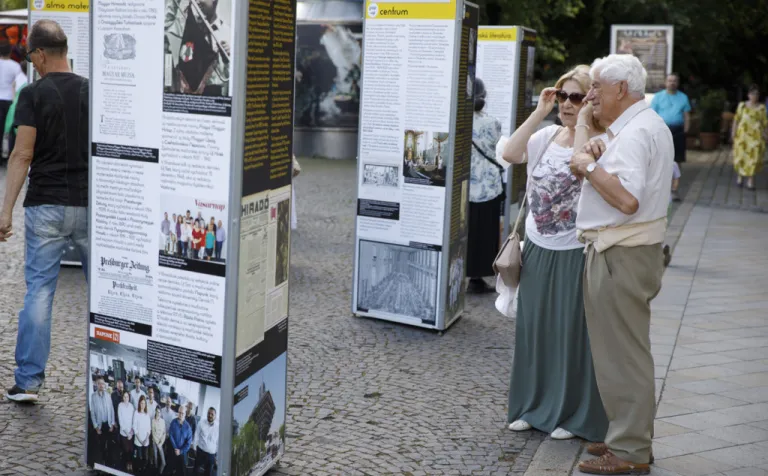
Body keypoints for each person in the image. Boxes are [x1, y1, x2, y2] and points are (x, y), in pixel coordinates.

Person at [569, 54, 672, 474]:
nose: (590, 94)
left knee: (623, 355)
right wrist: (594, 148)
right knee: (623, 352)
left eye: (597, 86)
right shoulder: (642, 126)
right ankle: (628, 439)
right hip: (626, 251)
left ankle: (630, 451)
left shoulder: (636, 132)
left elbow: (627, 201)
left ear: (621, 89)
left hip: (620, 254)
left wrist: (588, 165)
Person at [500, 67, 608, 442]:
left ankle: (572, 413)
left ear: (589, 101)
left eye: (576, 97)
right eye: (562, 96)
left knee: (570, 333)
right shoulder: (545, 136)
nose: (567, 104)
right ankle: (531, 407)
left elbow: (583, 169)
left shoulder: (599, 141)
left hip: (575, 250)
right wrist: (539, 112)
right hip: (536, 247)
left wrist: (584, 123)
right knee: (534, 330)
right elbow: (510, 153)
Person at [1, 20, 89, 402]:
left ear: (39, 54)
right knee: (106, 293)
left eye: (30, 56)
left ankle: (28, 383)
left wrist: (6, 211)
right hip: (89, 204)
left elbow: (22, 154)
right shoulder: (91, 90)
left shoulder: (33, 94)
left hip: (46, 205)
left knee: (39, 293)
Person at [466, 77, 503, 294]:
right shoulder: (492, 122)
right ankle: (477, 277)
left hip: (464, 186)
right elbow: (499, 151)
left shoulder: (458, 120)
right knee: (484, 233)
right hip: (488, 185)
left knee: (466, 231)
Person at [164, 0, 231, 95]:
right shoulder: (188, 24)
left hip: (212, 93)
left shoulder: (227, 33)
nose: (197, 1)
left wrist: (227, 60)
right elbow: (166, 23)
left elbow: (229, 78)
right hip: (187, 92)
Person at [650, 73, 690, 202]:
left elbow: (686, 116)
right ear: (665, 82)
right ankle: (659, 187)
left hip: (678, 131)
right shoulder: (658, 97)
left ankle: (674, 189)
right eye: (670, 80)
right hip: (661, 130)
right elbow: (652, 115)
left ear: (678, 83)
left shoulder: (683, 97)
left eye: (674, 81)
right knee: (660, 157)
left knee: (677, 159)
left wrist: (685, 131)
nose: (672, 83)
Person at [731, 85, 767, 190]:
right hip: (742, 136)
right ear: (748, 95)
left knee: (754, 158)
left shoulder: (761, 108)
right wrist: (733, 132)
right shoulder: (742, 106)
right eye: (752, 94)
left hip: (756, 137)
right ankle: (740, 176)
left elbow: (765, 123)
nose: (754, 96)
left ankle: (751, 180)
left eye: (756, 94)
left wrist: (766, 135)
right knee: (741, 156)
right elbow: (736, 119)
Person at [3, 60, 27, 161]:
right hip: (21, 111)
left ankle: (9, 156)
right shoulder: (27, 80)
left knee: (12, 136)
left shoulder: (19, 79)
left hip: (14, 110)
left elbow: (13, 92)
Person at [89, 377, 116, 466]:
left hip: (108, 424)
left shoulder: (108, 395)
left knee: (110, 444)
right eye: (99, 383)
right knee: (102, 445)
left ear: (104, 385)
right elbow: (93, 413)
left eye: (102, 383)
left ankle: (109, 462)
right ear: (96, 385)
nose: (101, 385)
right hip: (100, 425)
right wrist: (96, 427)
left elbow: (112, 410)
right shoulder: (93, 396)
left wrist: (112, 424)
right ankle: (103, 461)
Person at [0, 42, 22, 141]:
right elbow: (18, 83)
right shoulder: (15, 66)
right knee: (8, 126)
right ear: (10, 52)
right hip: (9, 98)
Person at [193, 407, 219, 476]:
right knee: (195, 471)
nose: (210, 415)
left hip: (211, 455)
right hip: (200, 451)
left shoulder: (218, 428)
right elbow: (196, 435)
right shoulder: (201, 423)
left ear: (215, 416)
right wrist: (194, 448)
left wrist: (216, 457)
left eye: (212, 414)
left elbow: (218, 443)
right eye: (208, 413)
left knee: (208, 473)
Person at [169, 404, 194, 476]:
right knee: (170, 469)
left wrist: (180, 451)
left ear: (185, 414)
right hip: (173, 450)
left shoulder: (188, 427)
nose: (180, 415)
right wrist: (175, 448)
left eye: (182, 413)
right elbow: (171, 435)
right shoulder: (173, 422)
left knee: (180, 472)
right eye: (179, 412)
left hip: (182, 453)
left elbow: (188, 443)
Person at [118, 391, 136, 472]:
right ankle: (126, 463)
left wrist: (131, 432)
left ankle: (130, 463)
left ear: (129, 397)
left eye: (127, 397)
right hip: (124, 433)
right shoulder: (120, 406)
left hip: (131, 433)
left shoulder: (131, 406)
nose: (126, 398)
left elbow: (133, 420)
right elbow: (121, 421)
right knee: (126, 450)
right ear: (123, 397)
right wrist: (127, 433)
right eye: (124, 397)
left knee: (131, 450)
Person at [133, 395, 152, 473]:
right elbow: (134, 428)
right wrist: (140, 440)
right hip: (138, 441)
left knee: (146, 458)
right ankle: (138, 471)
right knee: (139, 458)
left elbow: (149, 428)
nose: (142, 405)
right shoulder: (136, 413)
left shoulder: (147, 414)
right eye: (141, 403)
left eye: (144, 403)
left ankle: (143, 470)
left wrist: (146, 439)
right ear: (139, 403)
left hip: (146, 441)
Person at [152, 406, 168, 475]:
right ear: (155, 412)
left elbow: (164, 433)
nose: (158, 413)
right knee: (155, 458)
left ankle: (160, 472)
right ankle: (156, 470)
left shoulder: (163, 421)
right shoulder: (153, 421)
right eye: (157, 412)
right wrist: (157, 442)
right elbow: (153, 433)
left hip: (161, 443)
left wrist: (160, 443)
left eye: (159, 412)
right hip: (155, 442)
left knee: (164, 462)